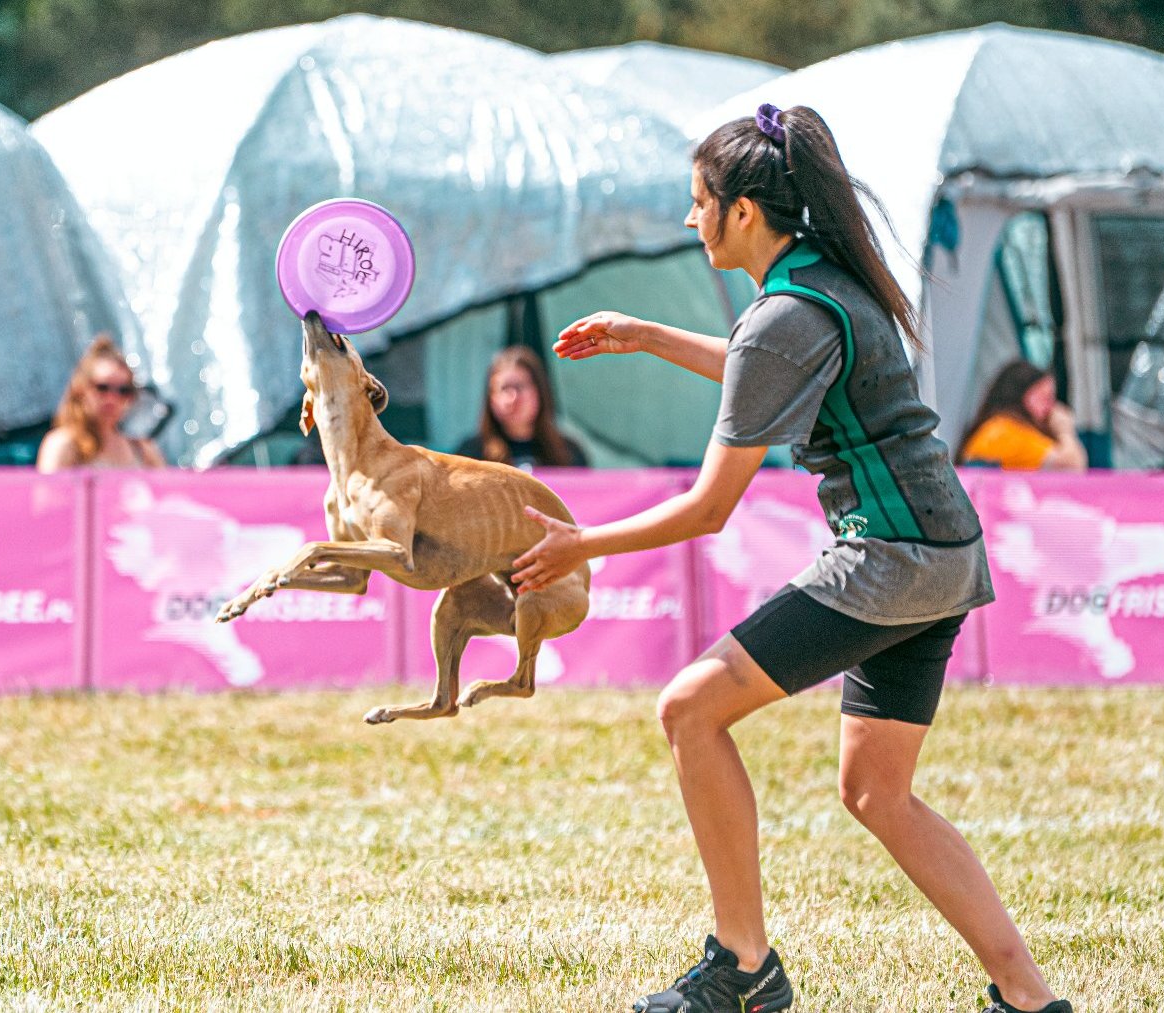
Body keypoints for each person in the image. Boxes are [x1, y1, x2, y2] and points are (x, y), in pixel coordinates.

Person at [513, 104, 1071, 1013]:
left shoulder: (785, 312)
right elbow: (761, 360)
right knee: (877, 792)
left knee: (690, 708)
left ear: (742, 213)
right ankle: (1030, 997)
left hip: (891, 555)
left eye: (699, 203)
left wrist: (580, 542)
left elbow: (709, 507)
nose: (690, 220)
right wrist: (646, 335)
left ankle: (742, 967)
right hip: (943, 553)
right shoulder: (824, 278)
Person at [36, 335, 167, 473]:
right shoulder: (63, 445)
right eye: (102, 388)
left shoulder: (143, 449)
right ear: (80, 389)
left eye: (123, 390)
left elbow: (167, 491)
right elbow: (48, 493)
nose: (112, 398)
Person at [452, 345, 588, 470]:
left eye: (520, 387)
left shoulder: (569, 453)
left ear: (539, 392)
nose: (513, 398)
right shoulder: (470, 456)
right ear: (491, 398)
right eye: (504, 388)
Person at [957, 361, 1088, 470]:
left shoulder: (995, 426)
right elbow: (1071, 466)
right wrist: (1065, 430)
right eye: (1045, 397)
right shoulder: (1004, 431)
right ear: (1020, 394)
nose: (1052, 407)